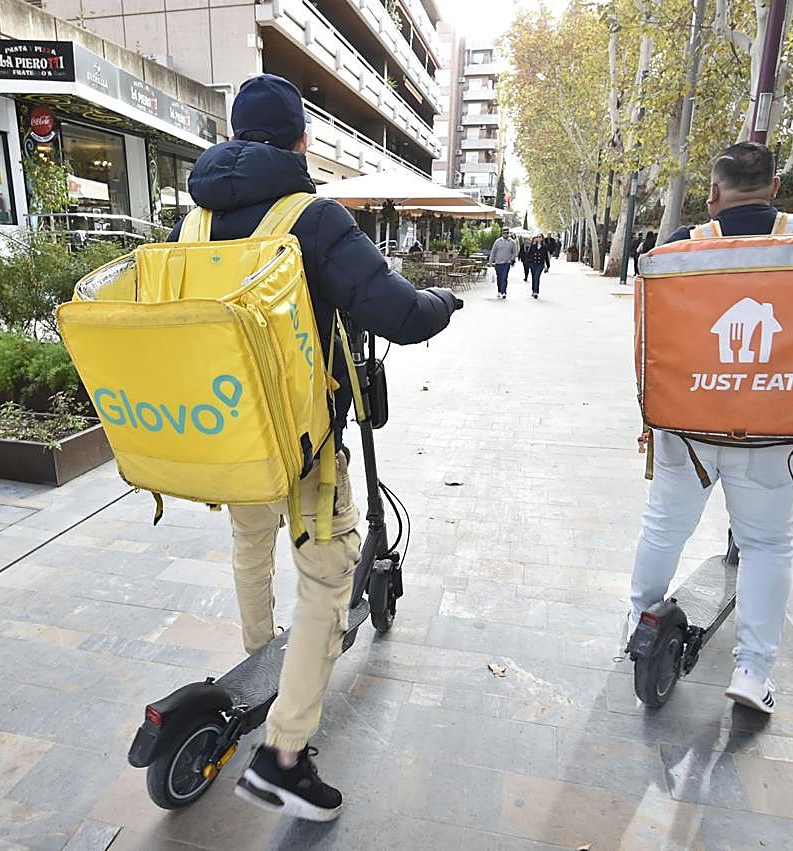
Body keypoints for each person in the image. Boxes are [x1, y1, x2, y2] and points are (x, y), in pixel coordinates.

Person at [167, 74, 460, 822]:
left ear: (234, 136)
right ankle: (285, 754)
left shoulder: (192, 223)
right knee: (329, 578)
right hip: (303, 442)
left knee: (249, 545)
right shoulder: (313, 217)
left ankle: (261, 658)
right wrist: (443, 302)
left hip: (229, 433)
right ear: (301, 140)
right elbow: (399, 313)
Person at [626, 141, 793, 715]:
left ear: (714, 193)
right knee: (767, 545)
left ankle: (638, 620)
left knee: (663, 528)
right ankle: (751, 670)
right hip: (776, 429)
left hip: (688, 427)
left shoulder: (682, 248)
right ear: (774, 188)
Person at [489, 227, 519, 299]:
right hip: (498, 263)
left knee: (504, 277)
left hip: (506, 263)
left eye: (507, 233)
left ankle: (504, 292)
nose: (506, 234)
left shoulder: (512, 242)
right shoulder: (497, 241)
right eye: (504, 233)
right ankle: (499, 291)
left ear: (509, 233)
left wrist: (511, 259)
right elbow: (493, 251)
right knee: (499, 277)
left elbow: (515, 252)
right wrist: (490, 261)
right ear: (502, 233)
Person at [521, 233, 552, 298]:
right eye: (537, 237)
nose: (539, 238)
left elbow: (546, 257)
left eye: (540, 237)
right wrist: (528, 262)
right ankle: (533, 290)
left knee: (537, 277)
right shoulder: (533, 246)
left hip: (540, 264)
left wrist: (547, 266)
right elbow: (529, 254)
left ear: (542, 238)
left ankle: (536, 292)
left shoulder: (544, 247)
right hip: (533, 264)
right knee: (533, 277)